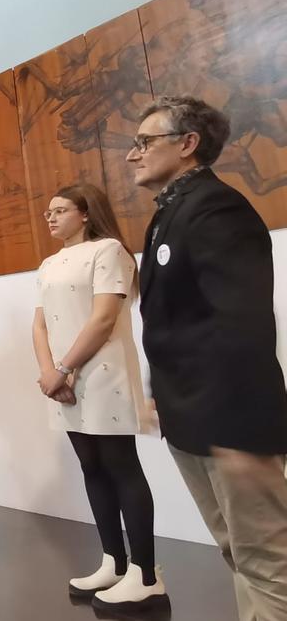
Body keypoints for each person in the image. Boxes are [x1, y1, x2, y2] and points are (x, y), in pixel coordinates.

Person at [128, 95, 287, 620]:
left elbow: (242, 322)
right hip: (191, 418)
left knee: (268, 558)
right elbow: (176, 321)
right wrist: (159, 395)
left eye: (145, 142)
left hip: (231, 422)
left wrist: (239, 432)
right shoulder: (169, 215)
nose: (133, 154)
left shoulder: (216, 207)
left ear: (187, 144)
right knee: (237, 552)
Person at [32, 184, 164, 610]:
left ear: (85, 213)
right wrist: (49, 372)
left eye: (59, 210)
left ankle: (145, 574)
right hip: (63, 379)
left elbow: (105, 316)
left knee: (121, 466)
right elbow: (39, 325)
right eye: (47, 212)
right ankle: (114, 561)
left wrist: (66, 369)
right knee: (92, 467)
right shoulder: (49, 263)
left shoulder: (109, 251)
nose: (49, 217)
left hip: (102, 374)